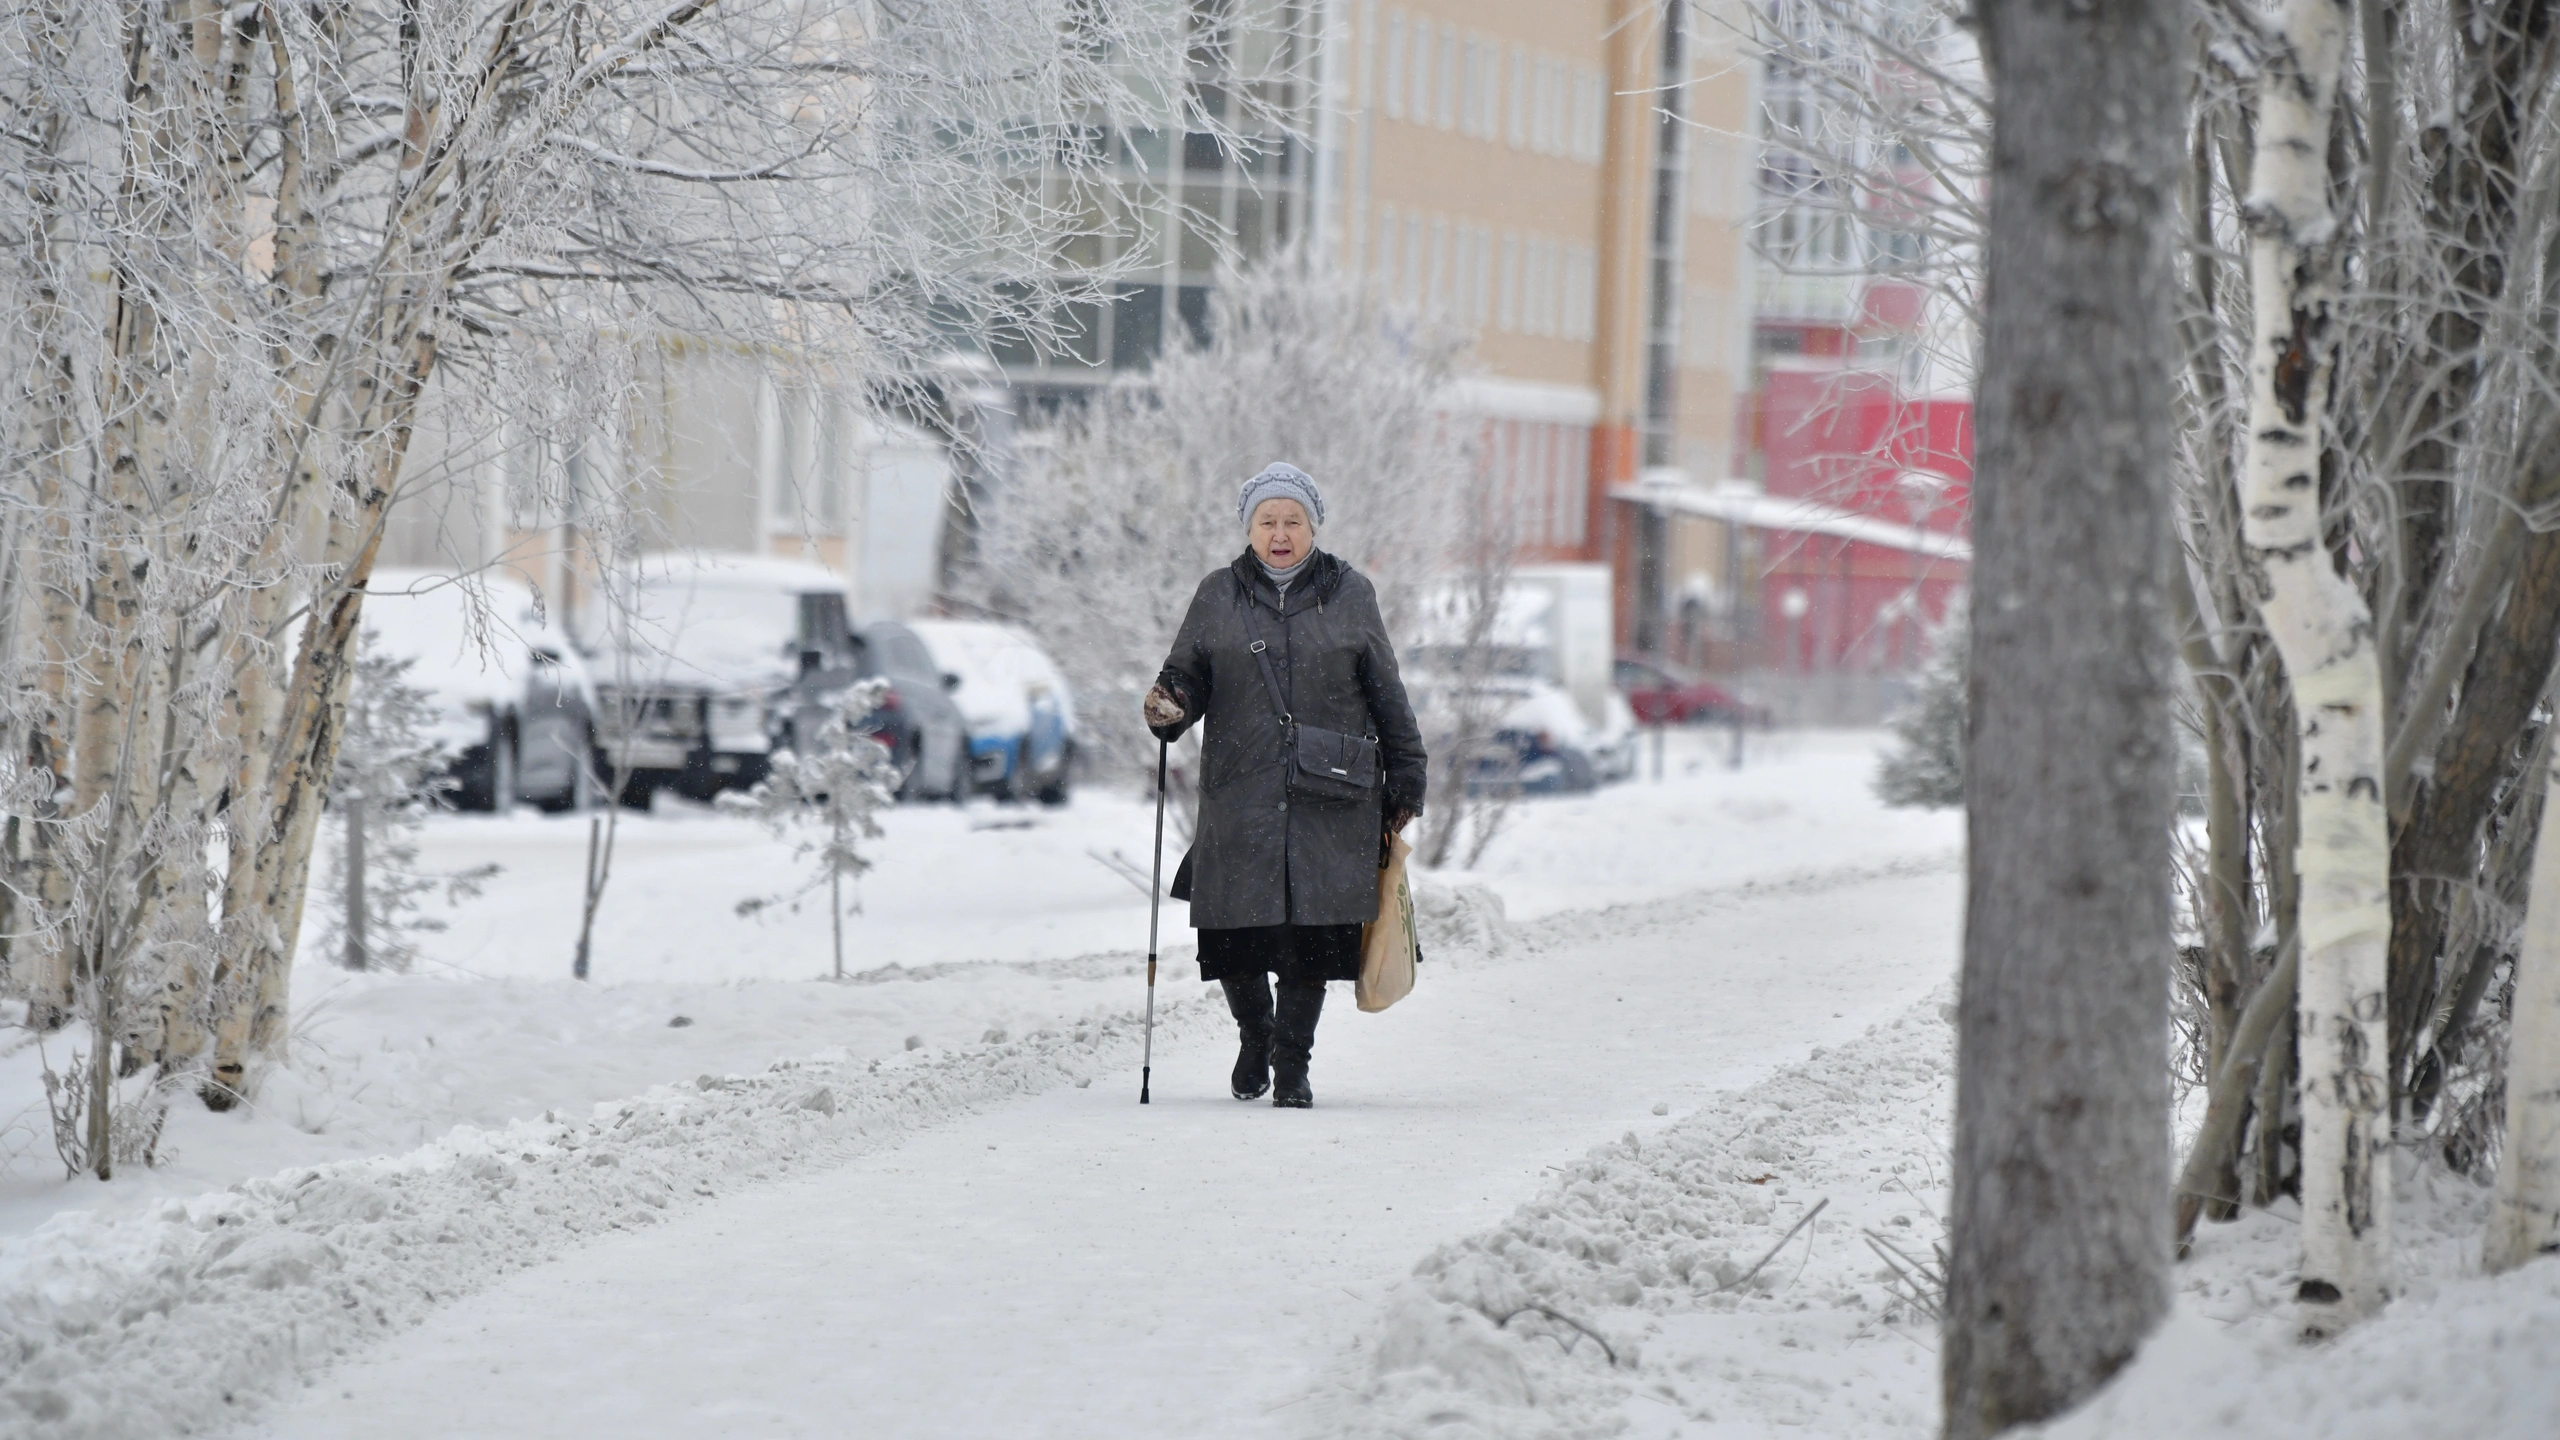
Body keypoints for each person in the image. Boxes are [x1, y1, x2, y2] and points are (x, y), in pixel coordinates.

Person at [1143, 462, 1428, 1108]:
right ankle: (1256, 1034)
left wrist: (1408, 770)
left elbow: (1387, 690)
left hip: (1331, 797)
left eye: (1292, 521)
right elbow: (1185, 673)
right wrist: (1170, 704)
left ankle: (1292, 1066)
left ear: (1312, 527)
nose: (1279, 533)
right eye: (1267, 521)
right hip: (1240, 791)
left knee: (1311, 939)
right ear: (1249, 529)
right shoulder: (1218, 595)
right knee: (1231, 930)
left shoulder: (1350, 594)